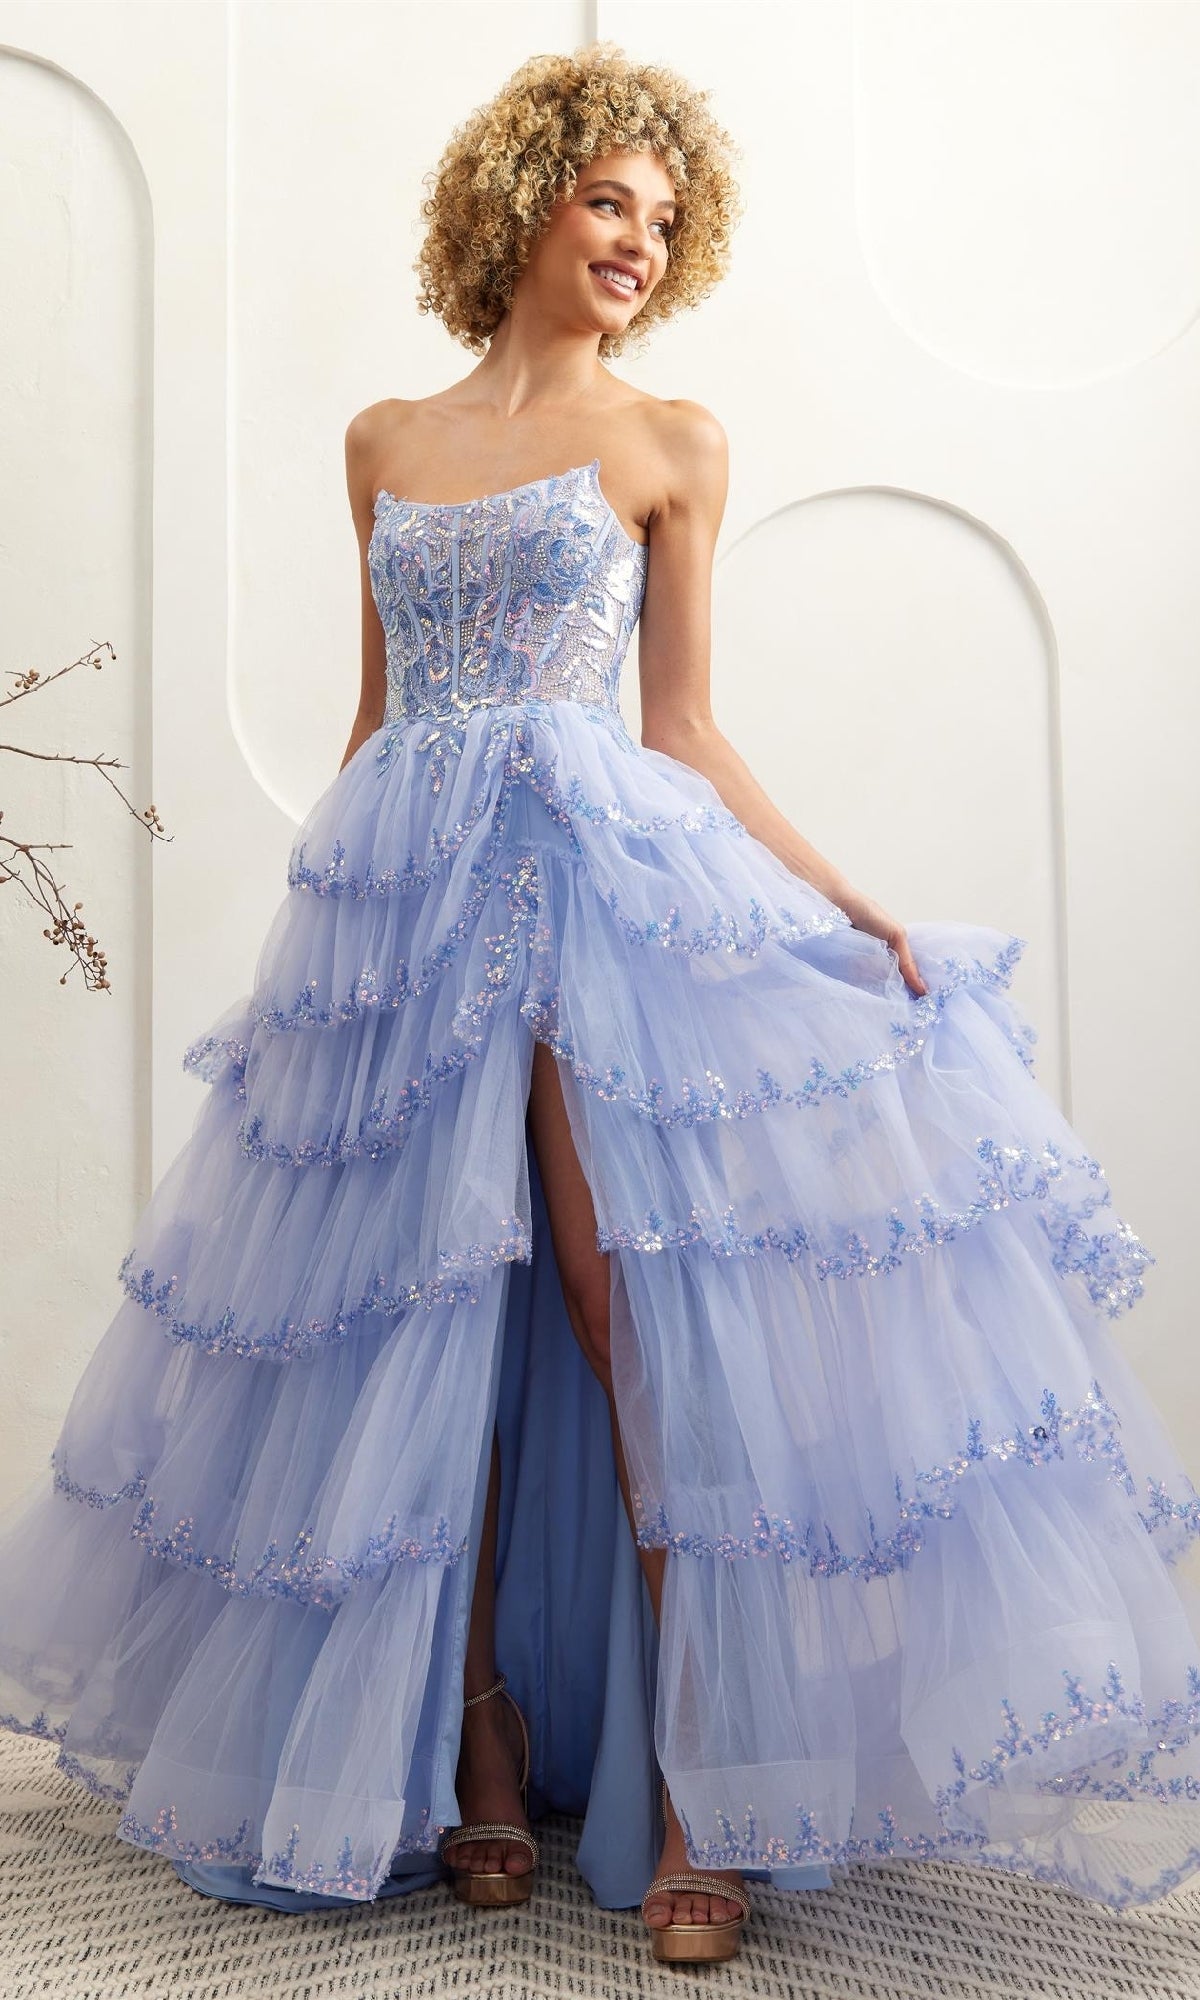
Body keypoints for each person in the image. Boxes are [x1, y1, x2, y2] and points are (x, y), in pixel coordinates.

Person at [2, 38, 1199, 1972]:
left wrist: (840, 900)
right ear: (524, 204)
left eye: (664, 216)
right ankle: (478, 1745)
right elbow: (378, 725)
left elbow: (684, 728)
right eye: (606, 202)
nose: (638, 240)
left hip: (589, 891)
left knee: (613, 1297)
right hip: (405, 902)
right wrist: (325, 951)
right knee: (423, 1313)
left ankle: (705, 1777)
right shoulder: (383, 440)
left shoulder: (672, 443)